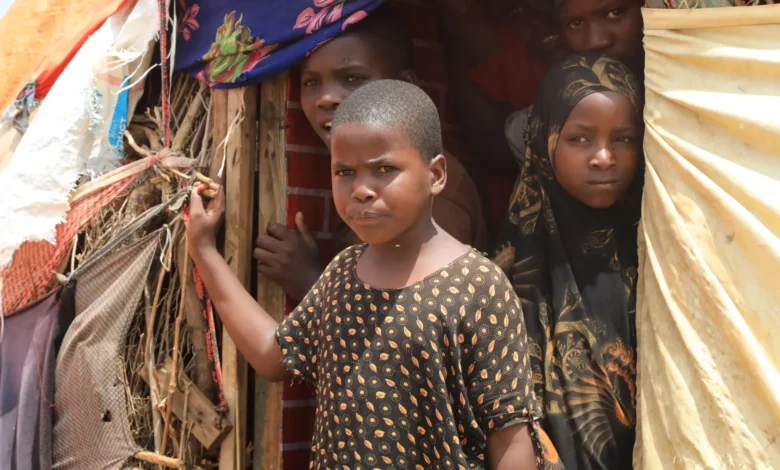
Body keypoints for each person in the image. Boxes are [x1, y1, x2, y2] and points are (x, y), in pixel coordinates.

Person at [186, 79, 542, 470]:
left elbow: (510, 436)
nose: (360, 190)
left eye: (384, 169)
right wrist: (204, 251)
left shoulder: (478, 285)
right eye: (344, 172)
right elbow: (273, 357)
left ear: (436, 175)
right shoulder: (343, 273)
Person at [254, 5, 489, 302]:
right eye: (311, 82)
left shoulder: (433, 195)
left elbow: (411, 320)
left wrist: (308, 281)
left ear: (405, 85)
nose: (326, 98)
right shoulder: (363, 178)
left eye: (353, 78)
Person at [493, 53, 644, 469]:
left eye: (623, 139)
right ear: (546, 139)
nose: (604, 157)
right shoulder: (509, 271)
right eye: (580, 139)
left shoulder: (662, 250)